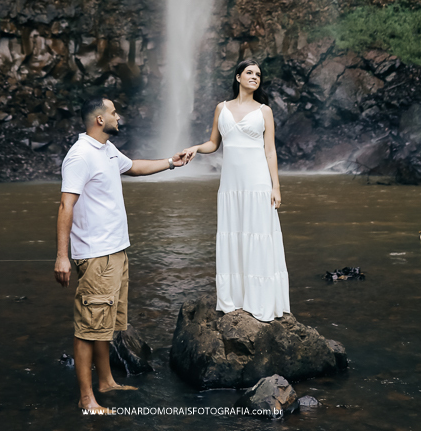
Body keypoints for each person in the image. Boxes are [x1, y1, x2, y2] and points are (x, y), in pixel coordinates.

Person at [55, 95, 186, 414]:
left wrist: (171, 162)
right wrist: (62, 256)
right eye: (114, 112)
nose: (119, 116)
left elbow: (135, 167)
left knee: (105, 323)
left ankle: (106, 382)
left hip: (115, 251)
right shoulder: (80, 156)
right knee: (88, 327)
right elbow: (65, 205)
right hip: (96, 255)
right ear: (100, 119)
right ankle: (87, 400)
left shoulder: (106, 149)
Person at [182, 58, 290, 322]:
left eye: (258, 75)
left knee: (258, 235)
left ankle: (260, 300)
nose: (255, 77)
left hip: (257, 183)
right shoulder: (222, 108)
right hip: (231, 186)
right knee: (234, 234)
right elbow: (213, 143)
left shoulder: (264, 111)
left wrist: (276, 186)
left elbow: (270, 151)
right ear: (238, 77)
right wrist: (196, 148)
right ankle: (236, 298)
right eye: (249, 72)